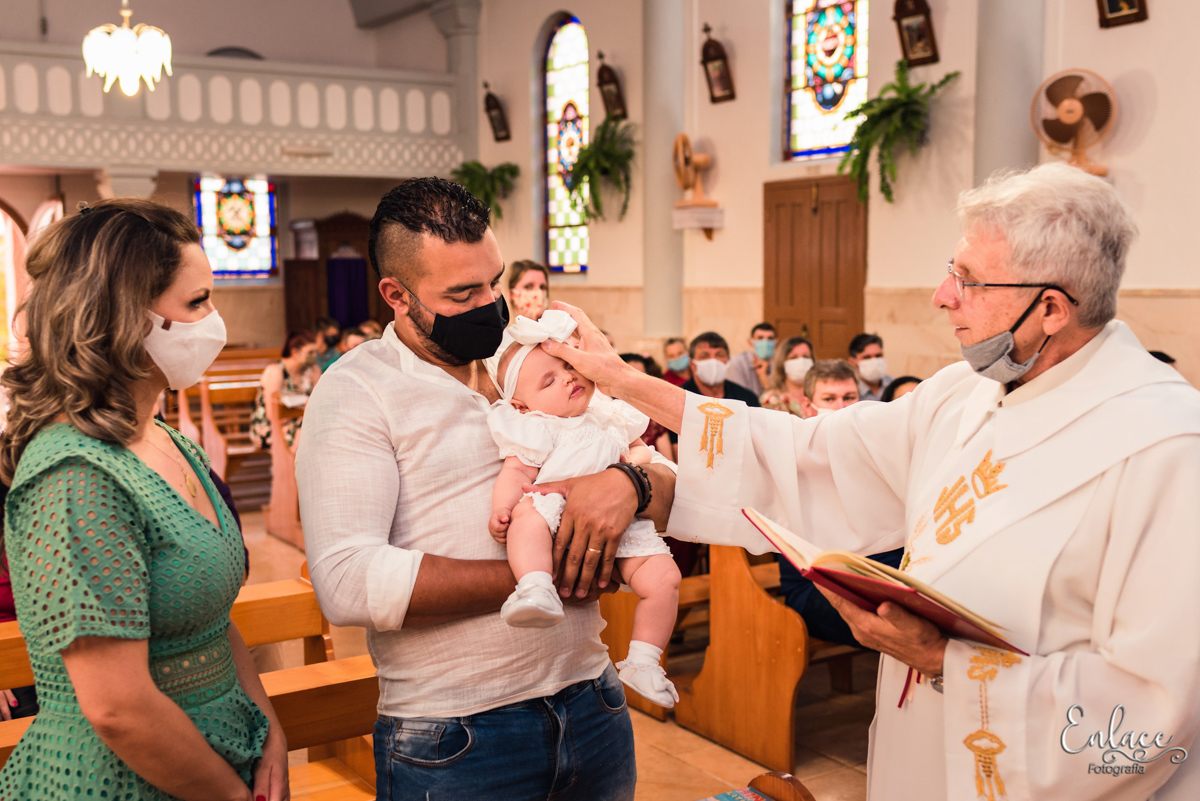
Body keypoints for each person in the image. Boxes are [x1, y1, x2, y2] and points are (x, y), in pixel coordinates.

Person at [539, 163, 1200, 800]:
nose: (943, 295)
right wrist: (624, 382)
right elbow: (812, 452)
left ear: (1051, 308)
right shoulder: (966, 392)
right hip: (918, 749)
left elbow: (1158, 711)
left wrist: (952, 664)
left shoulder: (1164, 448)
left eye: (968, 280)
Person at [296, 178, 678, 800]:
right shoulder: (356, 391)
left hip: (593, 699)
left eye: (495, 281)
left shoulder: (535, 359)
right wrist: (543, 574)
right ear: (396, 294)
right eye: (463, 292)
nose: (491, 303)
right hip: (457, 733)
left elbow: (669, 484)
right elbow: (346, 580)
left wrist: (628, 483)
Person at [0, 199, 287, 801]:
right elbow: (117, 708)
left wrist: (270, 730)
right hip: (116, 778)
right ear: (124, 317)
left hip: (221, 750)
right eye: (197, 302)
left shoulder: (169, 441)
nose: (214, 320)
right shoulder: (75, 474)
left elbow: (209, 616)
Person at [487, 312, 681, 706]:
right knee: (528, 515)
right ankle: (535, 586)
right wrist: (503, 508)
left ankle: (644, 661)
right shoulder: (540, 425)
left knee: (666, 579)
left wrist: (642, 462)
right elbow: (517, 470)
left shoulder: (610, 414)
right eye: (549, 380)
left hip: (625, 520)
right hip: (557, 508)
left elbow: (639, 452)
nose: (569, 379)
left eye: (568, 366)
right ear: (523, 406)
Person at [776, 360, 904, 647]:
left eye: (849, 398)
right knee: (901, 625)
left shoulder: (874, 454)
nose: (842, 408)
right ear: (808, 406)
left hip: (879, 574)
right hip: (815, 586)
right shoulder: (796, 462)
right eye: (829, 399)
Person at [249, 329, 321, 451]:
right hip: (269, 426)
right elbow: (271, 414)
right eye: (310, 352)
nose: (314, 356)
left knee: (315, 430)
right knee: (305, 432)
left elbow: (318, 403)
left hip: (301, 422)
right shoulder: (276, 371)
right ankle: (291, 468)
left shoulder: (314, 371)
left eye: (316, 352)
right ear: (295, 352)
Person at [620, 353, 671, 455]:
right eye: (630, 375)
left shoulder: (654, 418)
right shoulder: (608, 409)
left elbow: (669, 460)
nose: (636, 382)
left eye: (641, 376)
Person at [759, 335, 815, 417]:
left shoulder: (822, 395)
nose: (801, 361)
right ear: (782, 363)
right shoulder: (772, 399)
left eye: (806, 356)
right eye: (793, 357)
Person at [726, 322, 777, 398]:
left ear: (776, 342)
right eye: (760, 338)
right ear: (750, 342)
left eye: (770, 339)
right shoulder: (736, 363)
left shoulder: (779, 364)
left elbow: (779, 398)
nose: (765, 342)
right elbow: (739, 396)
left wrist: (763, 377)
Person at [848, 333, 893, 401]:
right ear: (852, 361)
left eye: (878, 356)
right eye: (867, 357)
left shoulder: (894, 385)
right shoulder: (849, 391)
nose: (874, 361)